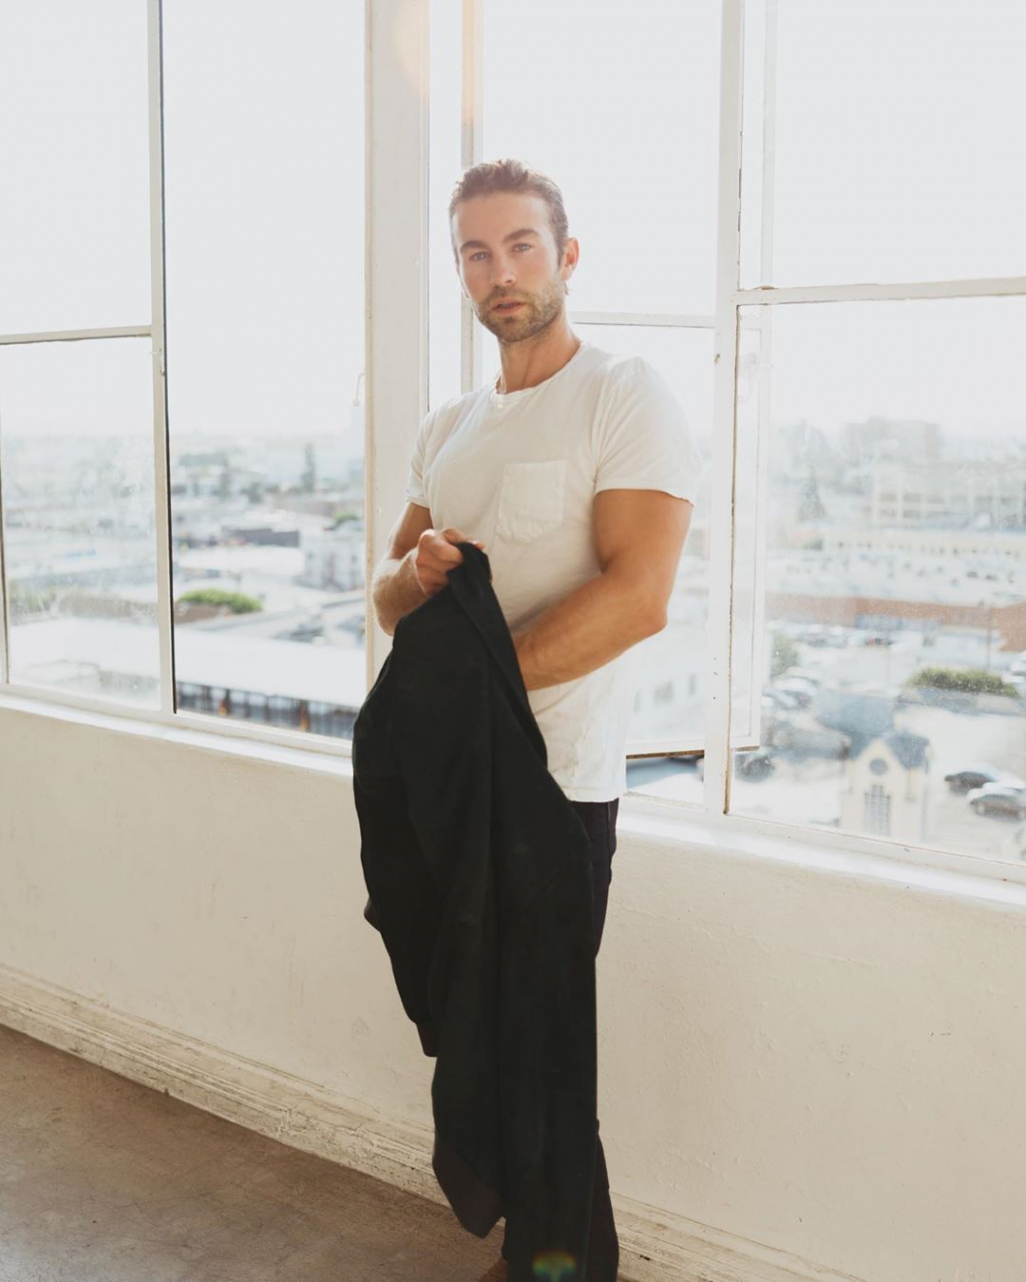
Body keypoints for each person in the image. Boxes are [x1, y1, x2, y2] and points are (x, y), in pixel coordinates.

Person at [370, 157, 700, 1282]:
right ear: (461, 270)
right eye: (476, 252)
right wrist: (418, 570)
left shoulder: (622, 394)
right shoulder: (451, 425)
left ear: (566, 257)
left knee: (544, 1057)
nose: (499, 271)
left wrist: (477, 695)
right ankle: (552, 1259)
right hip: (451, 787)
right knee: (485, 1046)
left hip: (555, 790)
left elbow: (638, 596)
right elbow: (388, 597)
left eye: (520, 246)